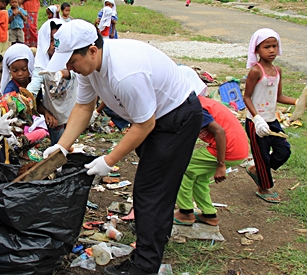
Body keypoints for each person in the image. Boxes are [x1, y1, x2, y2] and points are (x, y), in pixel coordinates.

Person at [44, 19, 203, 275]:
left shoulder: (124, 73)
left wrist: (108, 161)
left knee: (150, 190)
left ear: (92, 50)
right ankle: (152, 235)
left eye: (72, 61)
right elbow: (84, 107)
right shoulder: (89, 68)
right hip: (152, 117)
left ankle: (144, 265)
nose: (68, 67)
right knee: (153, 187)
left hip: (175, 117)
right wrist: (61, 147)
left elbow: (144, 124)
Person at [174, 96, 249, 226]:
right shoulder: (198, 101)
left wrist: (221, 164)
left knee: (181, 168)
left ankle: (185, 213)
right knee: (200, 177)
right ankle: (209, 214)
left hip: (227, 149)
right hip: (238, 149)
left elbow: (219, 131)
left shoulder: (194, 106)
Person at [243, 28, 297, 204]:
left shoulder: (278, 71)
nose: (272, 50)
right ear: (257, 49)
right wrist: (256, 118)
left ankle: (258, 170)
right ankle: (263, 187)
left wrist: (299, 102)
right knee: (262, 155)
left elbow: (279, 96)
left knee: (284, 150)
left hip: (272, 121)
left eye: (274, 46)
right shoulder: (256, 71)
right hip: (256, 123)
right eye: (267, 47)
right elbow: (247, 97)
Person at [27, 18, 77, 145]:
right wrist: (26, 96)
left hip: (72, 111)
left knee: (70, 142)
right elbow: (35, 82)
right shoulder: (42, 63)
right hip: (55, 115)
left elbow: (72, 73)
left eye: (58, 40)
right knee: (58, 147)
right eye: (50, 40)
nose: (54, 44)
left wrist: (61, 73)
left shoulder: (70, 57)